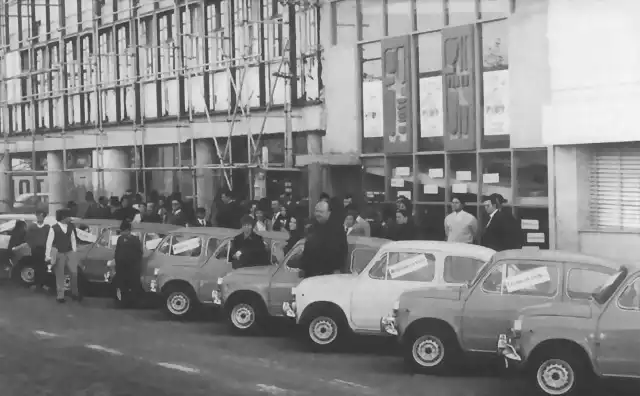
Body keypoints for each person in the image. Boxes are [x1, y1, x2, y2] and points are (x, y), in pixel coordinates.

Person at [300, 200, 348, 278]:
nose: (318, 214)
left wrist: (337, 269)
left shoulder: (337, 230)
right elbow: (307, 251)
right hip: (310, 275)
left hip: (328, 276)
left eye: (321, 212)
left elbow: (342, 252)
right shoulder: (312, 228)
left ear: (329, 213)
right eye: (316, 211)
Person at [45, 209, 81, 303]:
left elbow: (73, 240)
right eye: (68, 216)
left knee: (74, 273)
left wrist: (74, 251)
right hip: (59, 253)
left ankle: (75, 293)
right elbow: (49, 243)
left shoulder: (70, 227)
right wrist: (48, 256)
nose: (70, 218)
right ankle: (60, 296)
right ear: (63, 217)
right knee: (60, 275)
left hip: (69, 252)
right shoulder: (54, 228)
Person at [113, 220, 144, 300]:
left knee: (127, 287)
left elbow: (139, 254)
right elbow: (117, 253)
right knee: (125, 286)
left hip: (129, 269)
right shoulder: (122, 239)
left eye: (123, 231)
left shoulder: (132, 240)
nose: (121, 233)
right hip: (126, 269)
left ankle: (127, 300)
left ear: (127, 230)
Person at [26, 210, 50, 290]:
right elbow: (28, 238)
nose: (39, 217)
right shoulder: (32, 227)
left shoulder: (47, 227)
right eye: (38, 215)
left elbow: (49, 239)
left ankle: (43, 284)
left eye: (41, 216)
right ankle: (36, 284)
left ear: (44, 217)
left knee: (44, 267)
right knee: (35, 266)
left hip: (44, 249)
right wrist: (32, 246)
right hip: (35, 249)